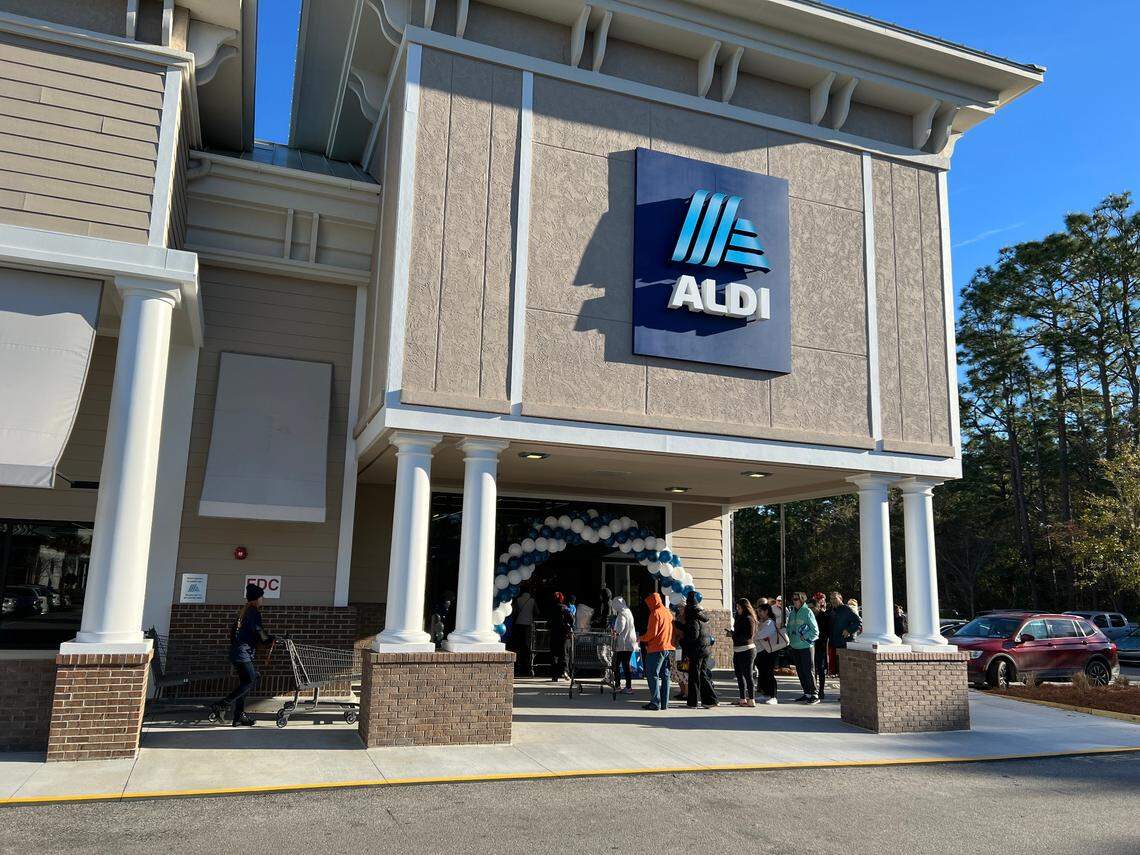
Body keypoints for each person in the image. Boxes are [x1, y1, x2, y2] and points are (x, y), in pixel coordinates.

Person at [213, 583, 275, 726]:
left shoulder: (244, 612)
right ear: (256, 599)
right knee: (251, 680)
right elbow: (259, 632)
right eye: (261, 597)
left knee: (245, 683)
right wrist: (270, 639)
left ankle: (238, 716)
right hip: (242, 654)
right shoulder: (253, 612)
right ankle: (222, 704)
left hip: (238, 652)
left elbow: (235, 634)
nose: (262, 600)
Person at [676, 592, 714, 709]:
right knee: (702, 675)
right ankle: (710, 700)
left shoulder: (692, 617)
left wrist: (683, 643)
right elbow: (693, 629)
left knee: (694, 676)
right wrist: (679, 625)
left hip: (697, 650)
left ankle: (692, 702)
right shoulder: (700, 615)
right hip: (705, 649)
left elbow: (693, 635)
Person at [638, 592, 674, 710]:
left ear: (652, 602)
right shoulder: (668, 612)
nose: (648, 606)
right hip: (668, 647)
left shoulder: (655, 613)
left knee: (652, 674)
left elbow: (651, 634)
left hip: (656, 648)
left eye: (649, 603)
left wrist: (641, 639)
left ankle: (655, 702)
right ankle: (664, 703)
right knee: (665, 676)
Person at [786, 591, 819, 704]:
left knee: (808, 670)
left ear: (802, 600)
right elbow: (789, 627)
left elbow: (815, 631)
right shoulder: (792, 613)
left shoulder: (807, 612)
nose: (794, 601)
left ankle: (814, 694)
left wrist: (804, 637)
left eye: (796, 599)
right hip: (795, 646)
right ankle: (807, 693)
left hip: (806, 646)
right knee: (800, 671)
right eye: (793, 599)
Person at [728, 597, 758, 707]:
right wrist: (733, 634)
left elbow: (748, 636)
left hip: (747, 650)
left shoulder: (749, 618)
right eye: (737, 607)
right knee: (739, 675)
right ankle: (742, 699)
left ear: (744, 608)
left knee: (748, 675)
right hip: (738, 649)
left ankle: (752, 699)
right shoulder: (739, 617)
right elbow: (739, 633)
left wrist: (734, 635)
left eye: (739, 607)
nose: (737, 609)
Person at [829, 591, 862, 678]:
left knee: (845, 672)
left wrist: (849, 630)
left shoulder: (847, 609)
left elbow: (859, 622)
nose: (832, 601)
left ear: (840, 599)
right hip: (834, 644)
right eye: (831, 599)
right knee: (838, 672)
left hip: (844, 644)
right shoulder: (832, 610)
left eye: (835, 598)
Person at [610, 596, 637, 694]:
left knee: (617, 664)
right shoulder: (628, 612)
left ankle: (617, 685)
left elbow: (620, 628)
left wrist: (614, 632)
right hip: (630, 642)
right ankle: (628, 687)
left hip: (623, 644)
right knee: (626, 664)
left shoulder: (622, 614)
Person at [754, 601, 779, 704]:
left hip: (768, 651)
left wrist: (753, 635)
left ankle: (773, 696)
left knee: (769, 674)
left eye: (761, 611)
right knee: (763, 673)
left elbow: (761, 635)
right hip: (760, 651)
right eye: (758, 611)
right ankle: (766, 694)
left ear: (766, 611)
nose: (759, 613)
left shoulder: (769, 622)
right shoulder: (761, 622)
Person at [512, 588, 538, 677]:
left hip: (519, 624)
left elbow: (514, 611)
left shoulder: (518, 600)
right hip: (528, 624)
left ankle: (517, 664)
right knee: (527, 646)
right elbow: (537, 612)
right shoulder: (532, 600)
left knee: (518, 645)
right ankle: (527, 665)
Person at [549, 592, 574, 681]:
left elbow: (549, 622)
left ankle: (554, 675)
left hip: (554, 634)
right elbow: (571, 620)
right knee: (564, 654)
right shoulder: (565, 608)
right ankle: (565, 671)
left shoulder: (552, 609)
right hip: (564, 634)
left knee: (554, 654)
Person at [811, 593, 831, 700]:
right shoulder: (810, 616)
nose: (811, 609)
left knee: (821, 669)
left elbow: (826, 632)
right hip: (811, 646)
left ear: (818, 606)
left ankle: (821, 690)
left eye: (813, 607)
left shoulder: (824, 616)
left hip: (821, 647)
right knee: (812, 669)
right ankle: (813, 690)